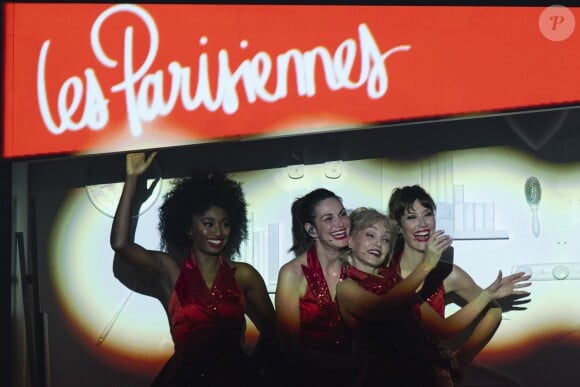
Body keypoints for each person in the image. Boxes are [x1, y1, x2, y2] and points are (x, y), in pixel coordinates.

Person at [110, 151, 278, 387]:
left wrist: (252, 367)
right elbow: (120, 244)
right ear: (189, 229)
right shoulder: (171, 271)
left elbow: (276, 331)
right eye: (208, 224)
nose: (218, 231)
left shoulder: (243, 275)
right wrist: (132, 180)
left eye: (225, 224)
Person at [336, 207, 520, 386]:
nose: (378, 243)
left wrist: (486, 295)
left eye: (385, 240)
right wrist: (426, 266)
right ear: (350, 240)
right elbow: (381, 310)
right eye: (370, 235)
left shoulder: (399, 285)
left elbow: (444, 329)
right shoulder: (346, 288)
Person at [387, 185, 531, 370]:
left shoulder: (448, 273)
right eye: (412, 217)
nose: (422, 224)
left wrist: (462, 358)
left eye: (428, 214)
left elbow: (493, 312)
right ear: (398, 227)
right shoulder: (385, 271)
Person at [275, 188, 363, 386]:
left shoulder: (359, 268)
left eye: (342, 214)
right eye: (328, 219)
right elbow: (290, 351)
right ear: (311, 230)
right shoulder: (292, 273)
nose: (340, 224)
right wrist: (352, 364)